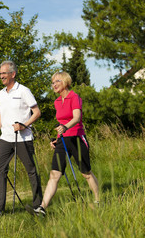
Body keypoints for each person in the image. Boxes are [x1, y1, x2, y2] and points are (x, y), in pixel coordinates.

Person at [27, 71, 99, 217]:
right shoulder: (57, 102)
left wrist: (66, 127)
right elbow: (61, 122)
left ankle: (98, 201)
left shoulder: (74, 97)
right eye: (52, 83)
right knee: (54, 174)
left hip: (77, 138)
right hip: (63, 139)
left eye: (56, 81)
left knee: (86, 173)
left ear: (65, 82)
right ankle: (42, 208)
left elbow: (77, 117)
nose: (53, 85)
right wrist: (57, 138)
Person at [0, 60, 43, 217]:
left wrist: (24, 125)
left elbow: (37, 112)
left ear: (13, 74)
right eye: (0, 73)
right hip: (5, 138)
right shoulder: (0, 94)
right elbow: (0, 118)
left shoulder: (24, 91)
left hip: (23, 138)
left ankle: (38, 206)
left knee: (31, 171)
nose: (1, 76)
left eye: (4, 73)